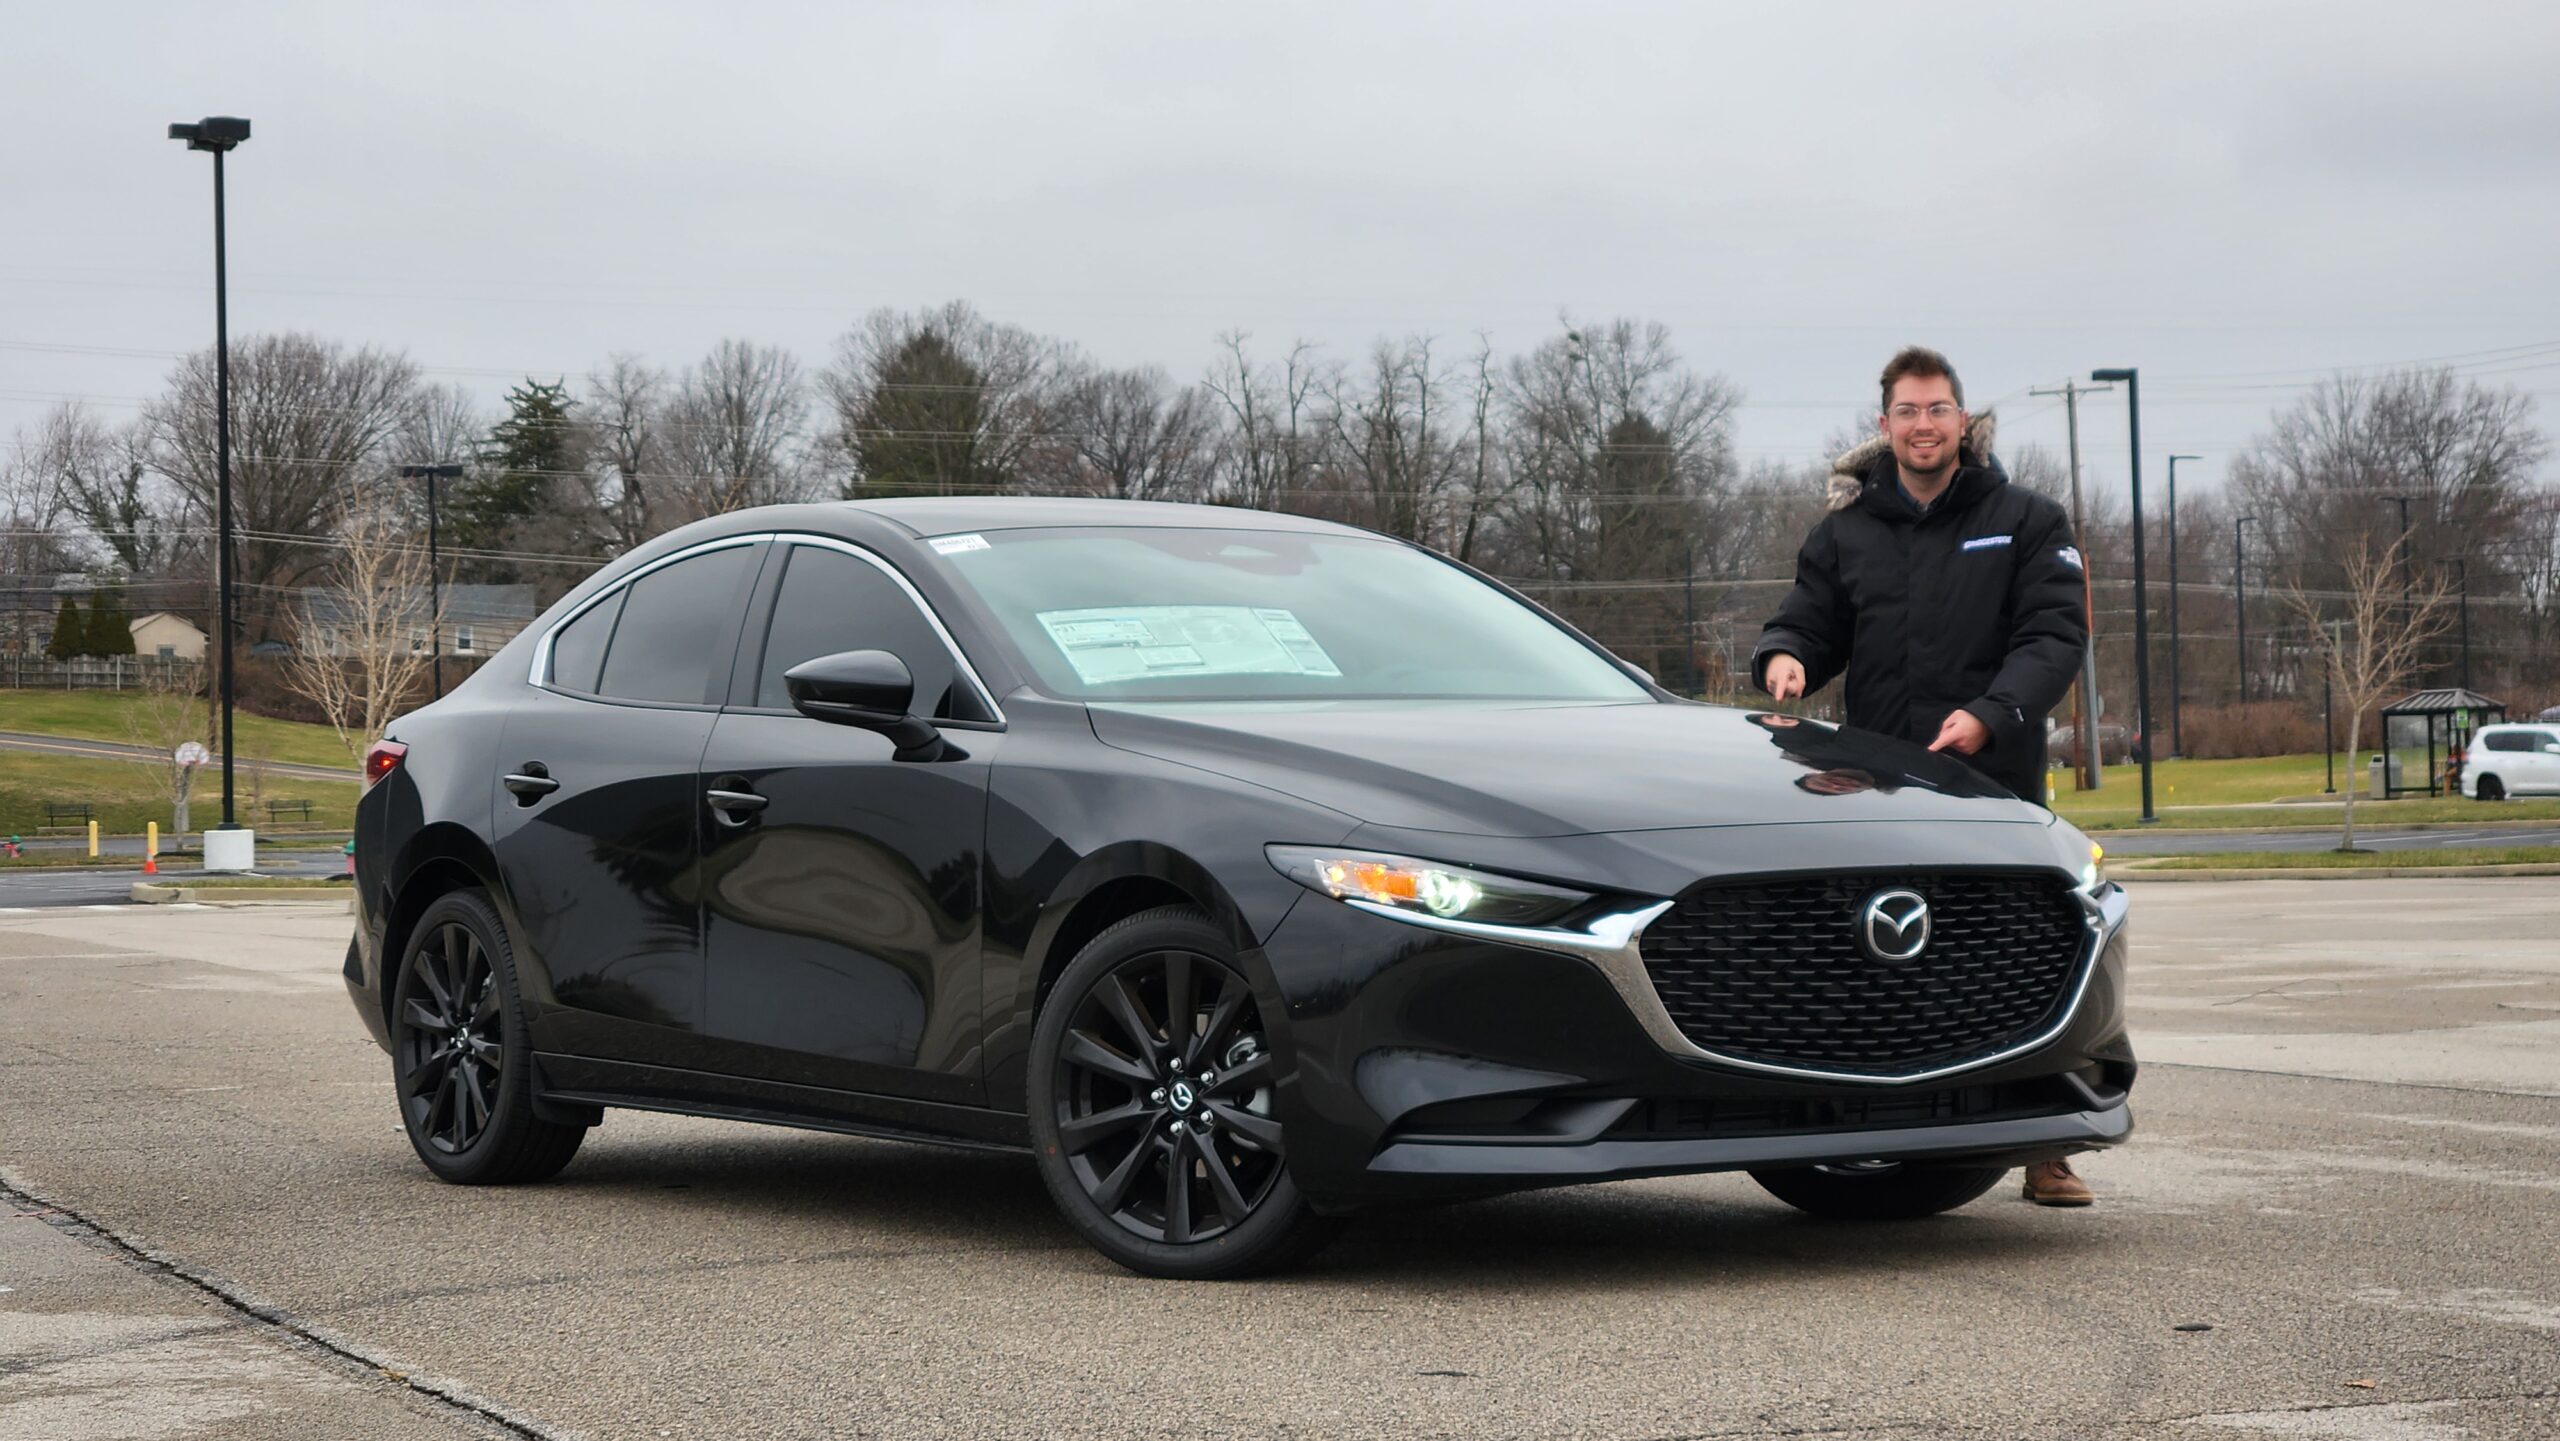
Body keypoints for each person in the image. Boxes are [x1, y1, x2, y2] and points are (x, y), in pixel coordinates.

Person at [1752, 346, 2096, 1207]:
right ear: (1884, 425)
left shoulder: (2024, 518)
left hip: (1994, 783)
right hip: (1880, 788)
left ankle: (2045, 1143)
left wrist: (1992, 710)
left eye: (1938, 409)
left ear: (1963, 420)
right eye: (1907, 411)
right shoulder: (1846, 531)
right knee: (1889, 956)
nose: (1923, 425)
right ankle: (1878, 1123)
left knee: (2016, 957)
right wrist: (1787, 656)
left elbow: (2054, 637)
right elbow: (1808, 620)